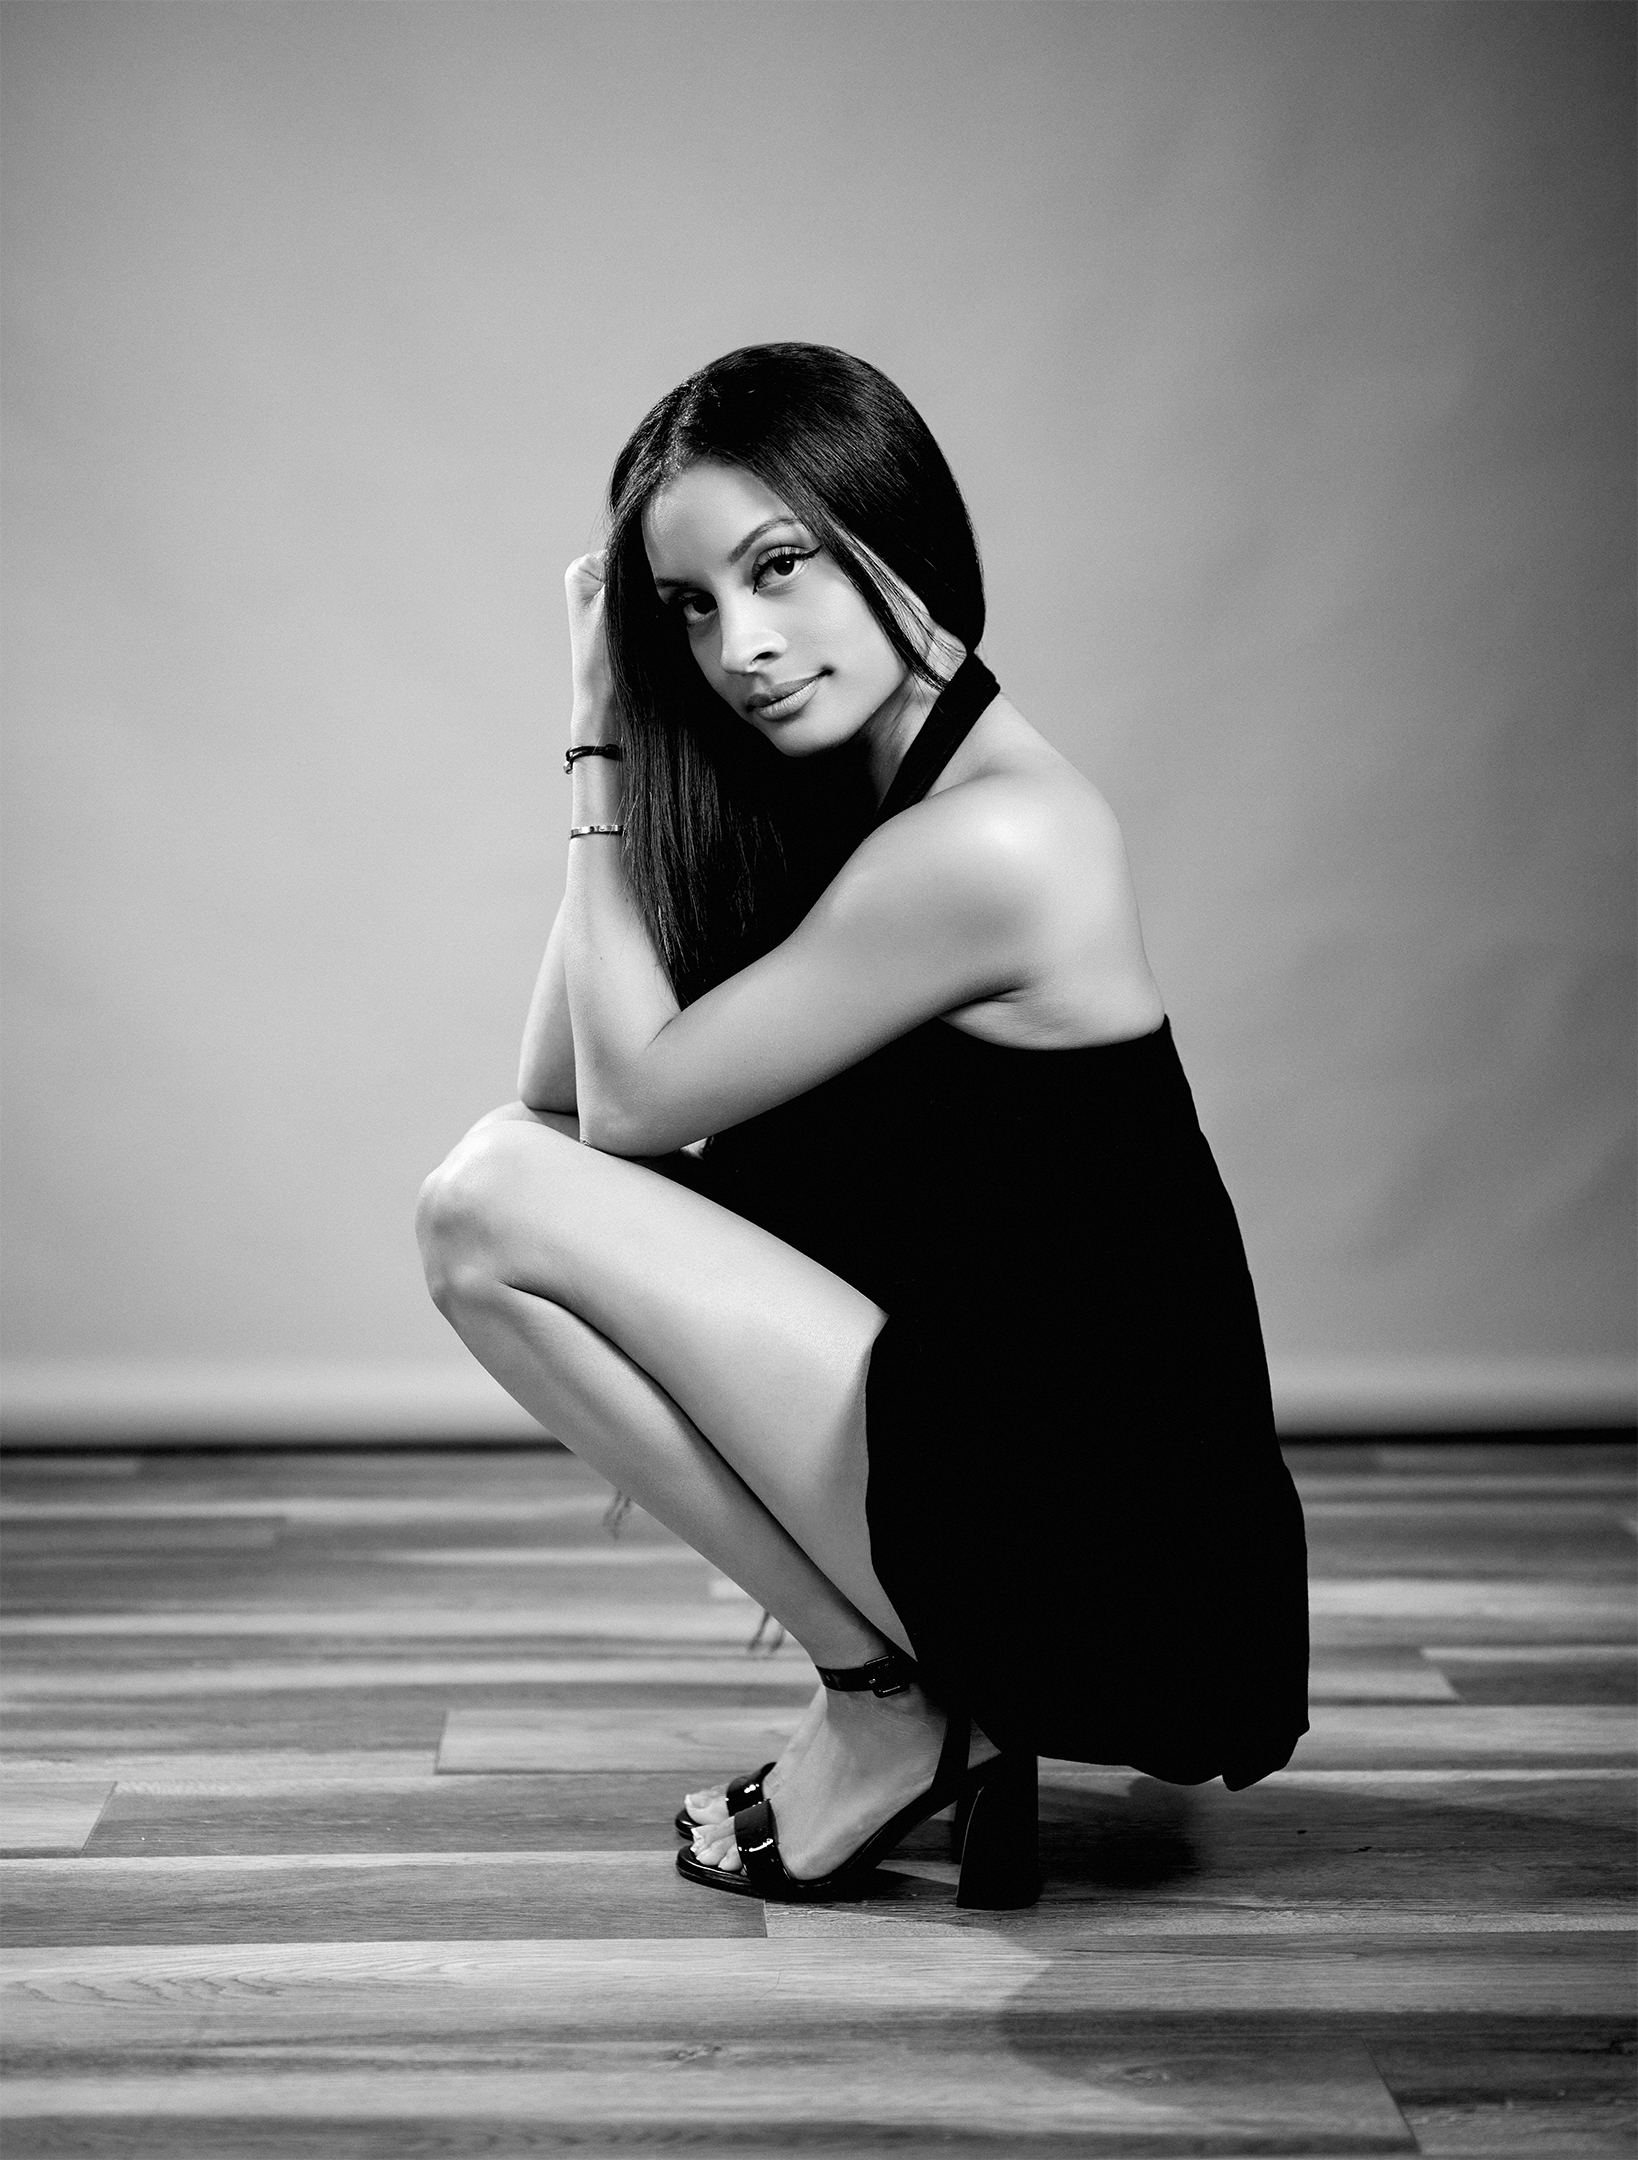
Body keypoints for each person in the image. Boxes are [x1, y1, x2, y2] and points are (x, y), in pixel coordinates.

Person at [416, 343, 1309, 1909]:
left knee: (481, 1201)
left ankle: (888, 1707)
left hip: (1108, 1541)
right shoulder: (852, 789)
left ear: (891, 530)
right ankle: (902, 1700)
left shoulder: (999, 839)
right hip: (1006, 1449)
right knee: (502, 1181)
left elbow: (611, 1112)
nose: (741, 645)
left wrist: (592, 739)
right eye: (687, 608)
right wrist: (637, 716)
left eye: (778, 567)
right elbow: (561, 1089)